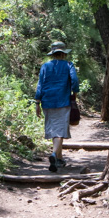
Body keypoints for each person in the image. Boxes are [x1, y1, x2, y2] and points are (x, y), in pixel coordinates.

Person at [34, 41, 79, 172]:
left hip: (47, 102)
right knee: (60, 131)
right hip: (62, 101)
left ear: (52, 54)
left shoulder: (45, 66)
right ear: (64, 54)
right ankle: (54, 154)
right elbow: (74, 81)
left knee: (54, 129)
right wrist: (74, 92)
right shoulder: (69, 65)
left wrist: (37, 102)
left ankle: (59, 159)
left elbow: (40, 85)